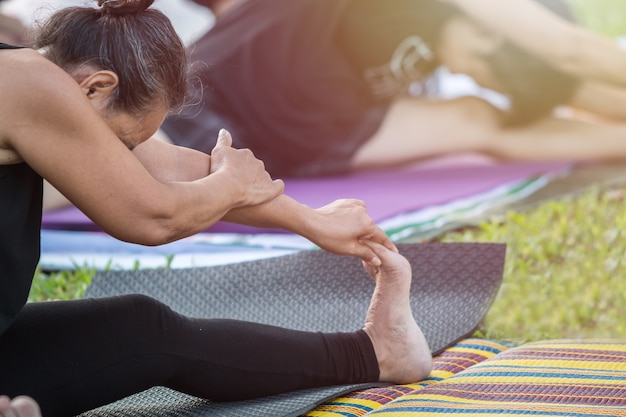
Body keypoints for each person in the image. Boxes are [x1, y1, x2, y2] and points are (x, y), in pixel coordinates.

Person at [0, 1, 432, 416]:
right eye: (125, 141)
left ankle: (378, 352)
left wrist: (311, 220)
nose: (122, 154)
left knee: (143, 327)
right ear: (96, 87)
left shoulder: (34, 79)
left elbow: (167, 169)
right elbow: (154, 216)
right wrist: (230, 183)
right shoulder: (30, 84)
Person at [160, 0, 626, 178]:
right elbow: (569, 51)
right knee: (477, 114)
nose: (485, 83)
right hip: (222, 90)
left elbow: (560, 79)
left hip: (308, 127)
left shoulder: (452, 47)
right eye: (495, 74)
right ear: (492, 37)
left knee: (478, 118)